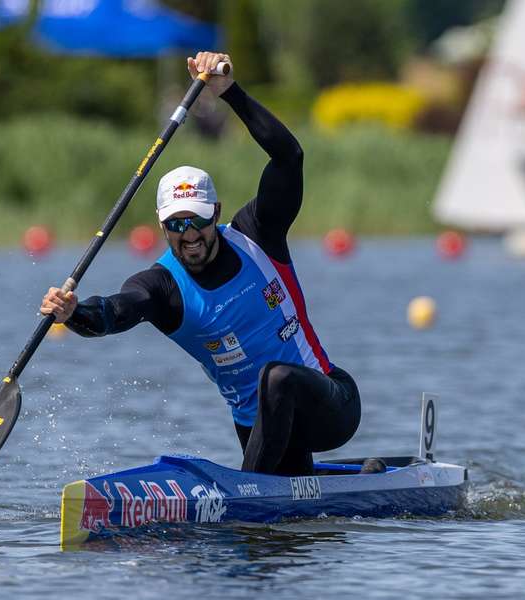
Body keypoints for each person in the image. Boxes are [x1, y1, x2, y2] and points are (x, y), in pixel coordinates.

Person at [40, 52, 361, 476]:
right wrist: (72, 312)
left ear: (217, 213)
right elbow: (115, 311)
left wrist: (229, 93)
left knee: (277, 378)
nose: (189, 234)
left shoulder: (256, 234)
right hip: (260, 428)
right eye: (177, 224)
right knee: (277, 534)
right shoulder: (160, 287)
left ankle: (247, 493)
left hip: (329, 403)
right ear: (162, 226)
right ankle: (347, 479)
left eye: (198, 220)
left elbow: (289, 158)